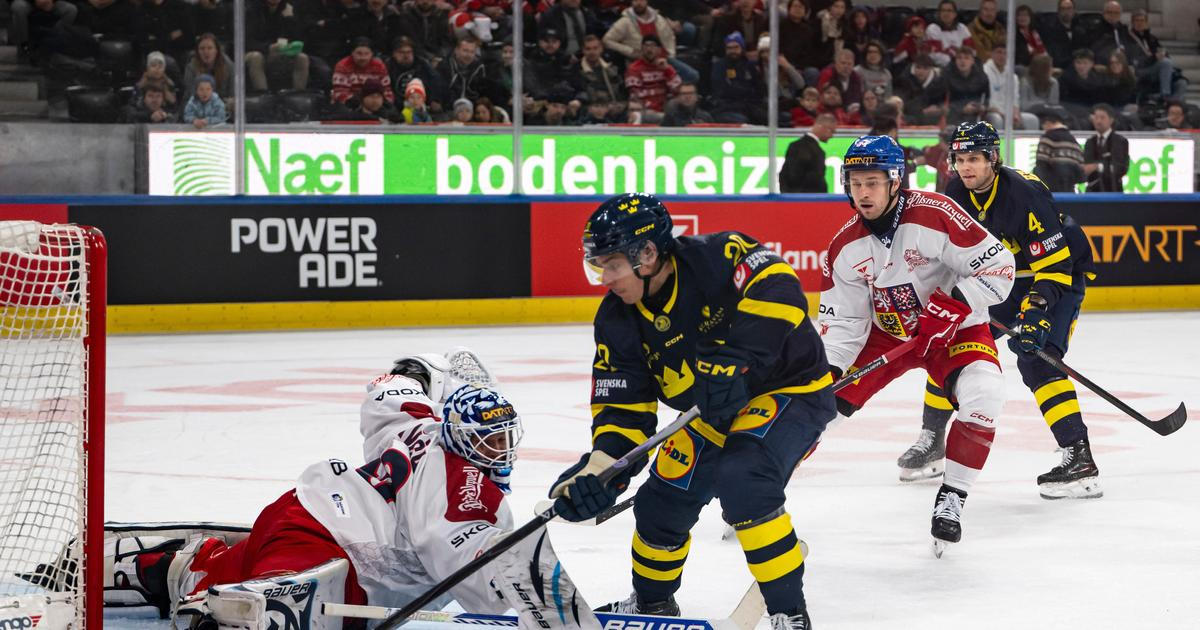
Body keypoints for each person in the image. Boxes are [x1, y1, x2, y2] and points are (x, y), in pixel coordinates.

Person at [97, 352, 553, 628]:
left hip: (300, 512)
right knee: (265, 609)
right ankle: (223, 609)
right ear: (462, 437)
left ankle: (168, 567)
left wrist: (421, 373)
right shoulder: (466, 489)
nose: (500, 452)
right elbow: (490, 583)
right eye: (489, 441)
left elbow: (388, 389)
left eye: (504, 440)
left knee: (224, 571)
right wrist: (554, 604)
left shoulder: (419, 423)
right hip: (330, 557)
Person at [550, 193, 837, 629]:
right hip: (712, 414)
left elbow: (779, 285)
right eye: (599, 266)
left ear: (647, 254)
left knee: (744, 477)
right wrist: (603, 470)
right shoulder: (616, 320)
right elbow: (624, 409)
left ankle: (789, 614)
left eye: (612, 265)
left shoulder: (717, 256)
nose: (605, 278)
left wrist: (738, 358)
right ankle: (652, 605)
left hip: (792, 390)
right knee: (661, 500)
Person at [819, 135, 1013, 555]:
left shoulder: (936, 213)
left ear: (895, 181)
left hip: (955, 332)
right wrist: (828, 372)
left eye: (873, 182)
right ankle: (764, 489)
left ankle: (953, 497)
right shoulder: (843, 247)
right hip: (886, 335)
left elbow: (999, 266)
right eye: (855, 183)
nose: (863, 192)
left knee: (985, 393)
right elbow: (845, 323)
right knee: (816, 408)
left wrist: (955, 304)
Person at [909, 121, 1101, 500]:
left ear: (993, 158)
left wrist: (1037, 313)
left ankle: (1079, 457)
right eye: (960, 159)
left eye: (974, 159)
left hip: (1056, 275)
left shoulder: (1024, 194)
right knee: (950, 341)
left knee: (1038, 358)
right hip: (1003, 279)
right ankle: (932, 439)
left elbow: (1054, 268)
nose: (966, 167)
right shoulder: (955, 192)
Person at [780, 113, 836, 192]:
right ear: (821, 127)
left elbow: (784, 176)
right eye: (831, 131)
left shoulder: (795, 146)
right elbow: (815, 180)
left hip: (794, 197)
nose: (831, 136)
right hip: (809, 197)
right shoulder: (817, 152)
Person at [332, 37, 396, 105]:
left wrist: (384, 103)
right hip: (350, 104)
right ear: (352, 53)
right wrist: (364, 104)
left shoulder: (379, 66)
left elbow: (387, 91)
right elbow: (340, 94)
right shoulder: (343, 66)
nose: (363, 58)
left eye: (367, 54)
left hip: (376, 103)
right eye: (359, 53)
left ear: (372, 54)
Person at [1033, 110, 1085, 193]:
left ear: (1048, 123)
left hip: (1052, 190)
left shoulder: (1047, 138)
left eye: (1044, 126)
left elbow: (1040, 165)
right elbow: (1081, 173)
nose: (1044, 129)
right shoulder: (1074, 142)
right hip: (1070, 191)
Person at [1083, 104, 1129, 192]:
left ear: (1111, 120)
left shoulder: (1120, 141)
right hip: (1092, 191)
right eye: (1096, 118)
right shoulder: (1090, 142)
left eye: (1102, 118)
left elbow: (1120, 167)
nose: (1098, 121)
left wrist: (1098, 166)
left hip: (1113, 190)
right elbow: (1086, 166)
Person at [926, 0, 974, 68]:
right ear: (939, 14)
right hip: (941, 68)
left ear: (955, 14)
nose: (946, 13)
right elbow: (935, 55)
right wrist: (956, 63)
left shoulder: (962, 28)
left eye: (949, 10)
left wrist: (963, 62)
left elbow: (971, 50)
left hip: (963, 66)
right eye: (943, 10)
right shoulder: (933, 28)